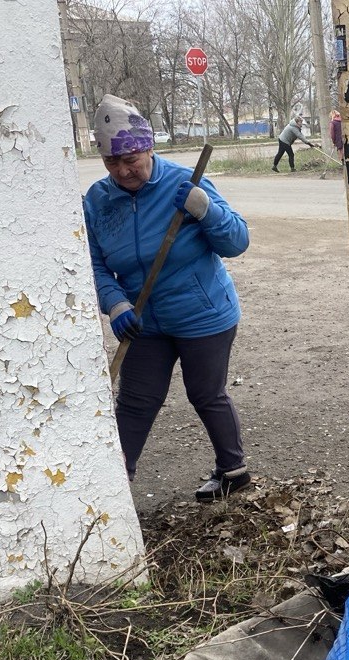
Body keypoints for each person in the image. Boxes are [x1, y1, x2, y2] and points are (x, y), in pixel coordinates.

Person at [83, 95, 252, 502]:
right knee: (137, 400)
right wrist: (114, 301)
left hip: (203, 313)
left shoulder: (185, 182)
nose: (123, 170)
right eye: (112, 162)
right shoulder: (96, 201)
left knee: (206, 393)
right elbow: (93, 262)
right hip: (142, 318)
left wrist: (205, 209)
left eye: (131, 159)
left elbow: (236, 241)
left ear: (148, 148)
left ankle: (233, 470)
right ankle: (116, 487)